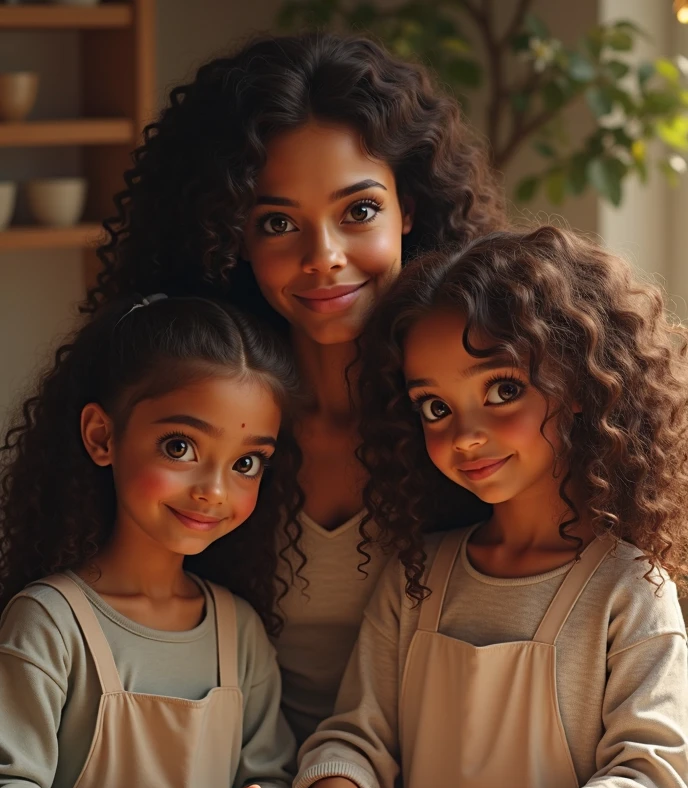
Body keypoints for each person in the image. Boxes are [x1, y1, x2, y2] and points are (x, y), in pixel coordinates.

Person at [86, 32, 505, 746]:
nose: (324, 259)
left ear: (411, 209)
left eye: (359, 211)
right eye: (278, 222)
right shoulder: (178, 423)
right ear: (231, 238)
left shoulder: (488, 419)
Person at [290, 226, 688, 788]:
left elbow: (655, 782)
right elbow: (357, 735)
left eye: (501, 389)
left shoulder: (630, 589)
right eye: (435, 407)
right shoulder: (417, 575)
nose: (464, 434)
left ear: (583, 387)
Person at [0, 294, 298, 788]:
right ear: (102, 437)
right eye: (180, 447)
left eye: (246, 463)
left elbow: (273, 779)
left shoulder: (240, 630)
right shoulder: (47, 622)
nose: (214, 490)